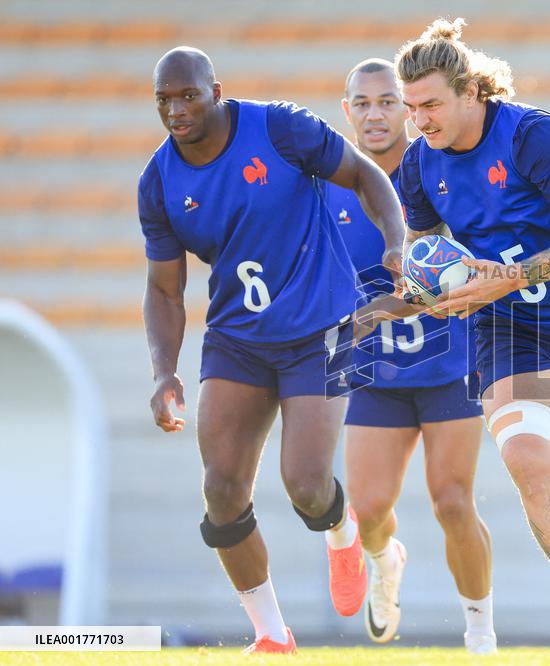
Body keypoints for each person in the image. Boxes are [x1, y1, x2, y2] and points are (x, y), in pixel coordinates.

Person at [381, 18, 550, 654]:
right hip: (509, 330)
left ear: (470, 91)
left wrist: (511, 276)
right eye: (410, 107)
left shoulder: (533, 135)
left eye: (430, 105)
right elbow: (428, 247)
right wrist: (433, 290)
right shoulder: (419, 165)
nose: (418, 120)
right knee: (530, 458)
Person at [138, 47, 404, 653]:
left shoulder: (279, 127)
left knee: (307, 484)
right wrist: (163, 371)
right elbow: (164, 288)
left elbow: (366, 174)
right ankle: (271, 635)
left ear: (216, 91)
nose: (176, 110)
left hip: (321, 327)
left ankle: (343, 535)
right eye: (164, 100)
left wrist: (396, 243)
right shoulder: (158, 181)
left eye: (188, 96)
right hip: (239, 338)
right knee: (222, 491)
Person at [324, 58, 495, 653]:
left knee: (453, 501)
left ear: (410, 108)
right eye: (362, 103)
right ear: (346, 111)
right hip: (376, 368)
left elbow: (478, 259)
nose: (375, 113)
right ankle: (385, 562)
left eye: (388, 101)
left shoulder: (444, 172)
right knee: (367, 508)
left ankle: (480, 632)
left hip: (451, 362)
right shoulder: (327, 187)